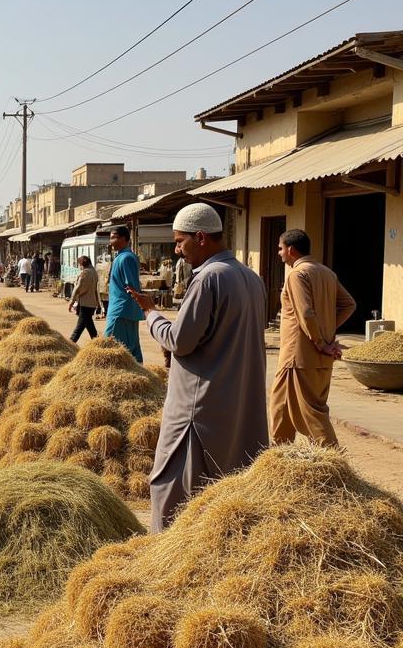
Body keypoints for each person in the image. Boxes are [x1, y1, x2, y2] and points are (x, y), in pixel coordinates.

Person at [126, 203, 268, 533]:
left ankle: (165, 560)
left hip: (199, 408)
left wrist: (151, 314)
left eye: (179, 242)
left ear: (200, 237)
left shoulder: (208, 279)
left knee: (172, 490)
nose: (177, 251)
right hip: (237, 404)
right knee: (225, 493)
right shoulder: (250, 277)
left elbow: (180, 340)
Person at [269, 228, 356, 448]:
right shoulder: (327, 272)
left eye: (280, 249)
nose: (279, 254)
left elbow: (306, 313)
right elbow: (349, 305)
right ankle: (280, 456)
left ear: (290, 249)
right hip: (314, 358)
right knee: (280, 406)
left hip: (298, 357)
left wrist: (320, 342)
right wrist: (326, 333)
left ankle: (333, 460)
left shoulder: (297, 275)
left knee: (311, 412)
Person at [105, 227, 144, 362]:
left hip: (121, 311)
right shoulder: (121, 257)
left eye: (113, 237)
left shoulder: (126, 258)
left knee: (110, 349)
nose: (111, 242)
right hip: (125, 310)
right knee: (131, 350)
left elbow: (131, 286)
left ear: (123, 239)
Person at [68, 255, 102, 342]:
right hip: (92, 303)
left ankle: (71, 343)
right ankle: (97, 342)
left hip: (85, 303)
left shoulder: (85, 273)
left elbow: (78, 288)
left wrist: (71, 302)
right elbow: (95, 290)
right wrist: (98, 303)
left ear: (82, 264)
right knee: (86, 325)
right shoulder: (94, 272)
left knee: (81, 326)